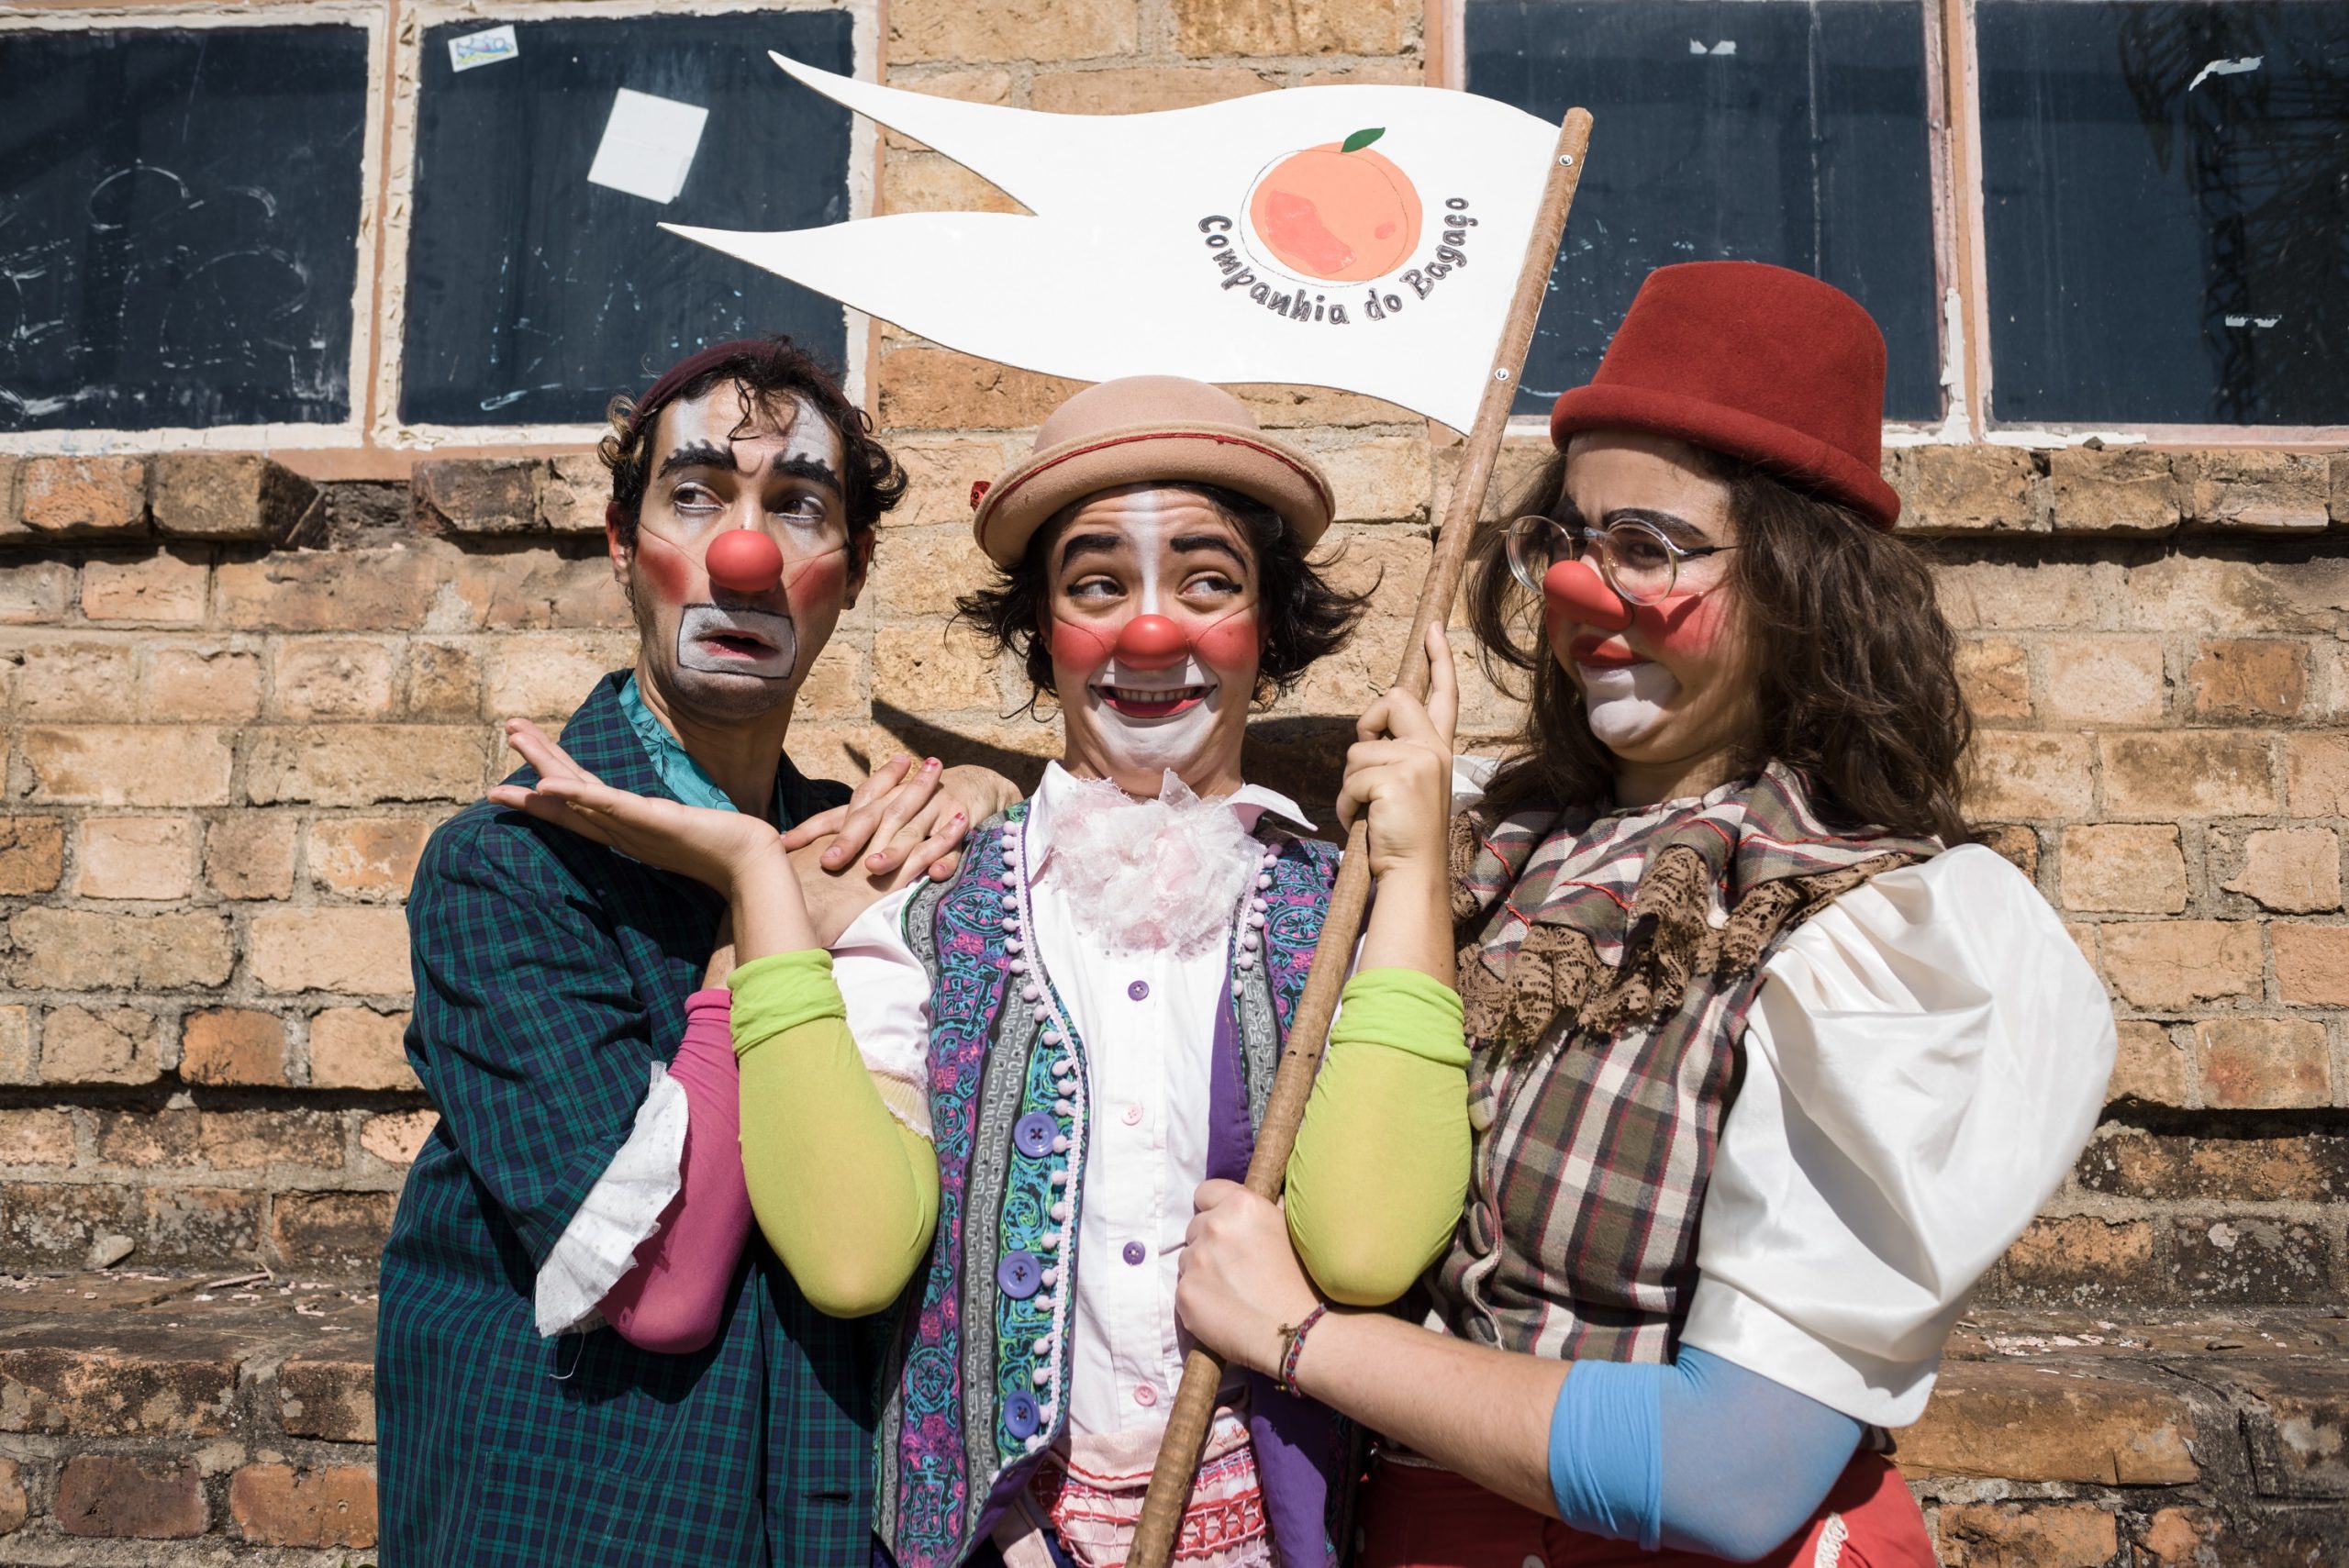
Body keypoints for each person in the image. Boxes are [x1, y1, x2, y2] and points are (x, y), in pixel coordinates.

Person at [1173, 262, 2118, 1567]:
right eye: (1565, 539)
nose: (1579, 589)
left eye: (1649, 547)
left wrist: (1301, 1338)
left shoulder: (1891, 931)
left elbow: (1731, 1471)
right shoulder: (1501, 852)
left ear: (1801, 581)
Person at [492, 376, 1474, 1568]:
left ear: (1269, 629)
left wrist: (1416, 877)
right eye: (1098, 584)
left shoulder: (1345, 921)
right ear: (1042, 634)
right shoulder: (932, 918)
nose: (1148, 633)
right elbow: (852, 1255)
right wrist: (762, 887)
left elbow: (1368, 1244)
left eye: (1207, 582)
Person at [378, 337, 1020, 1567]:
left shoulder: (857, 848)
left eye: (796, 505)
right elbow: (659, 1286)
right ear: (624, 549)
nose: (745, 552)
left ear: (851, 570)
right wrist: (758, 915)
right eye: (695, 496)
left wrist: (984, 799)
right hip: (586, 1527)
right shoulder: (506, 870)